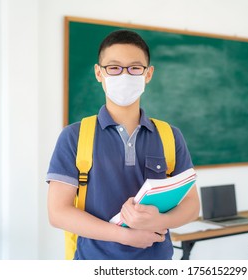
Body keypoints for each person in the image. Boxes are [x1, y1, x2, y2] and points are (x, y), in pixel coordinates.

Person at [46, 30, 200, 260]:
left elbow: (191, 206)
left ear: (148, 74)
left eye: (135, 68)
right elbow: (58, 213)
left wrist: (160, 221)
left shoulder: (170, 136)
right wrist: (123, 235)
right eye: (114, 67)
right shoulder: (74, 136)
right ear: (99, 73)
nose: (125, 75)